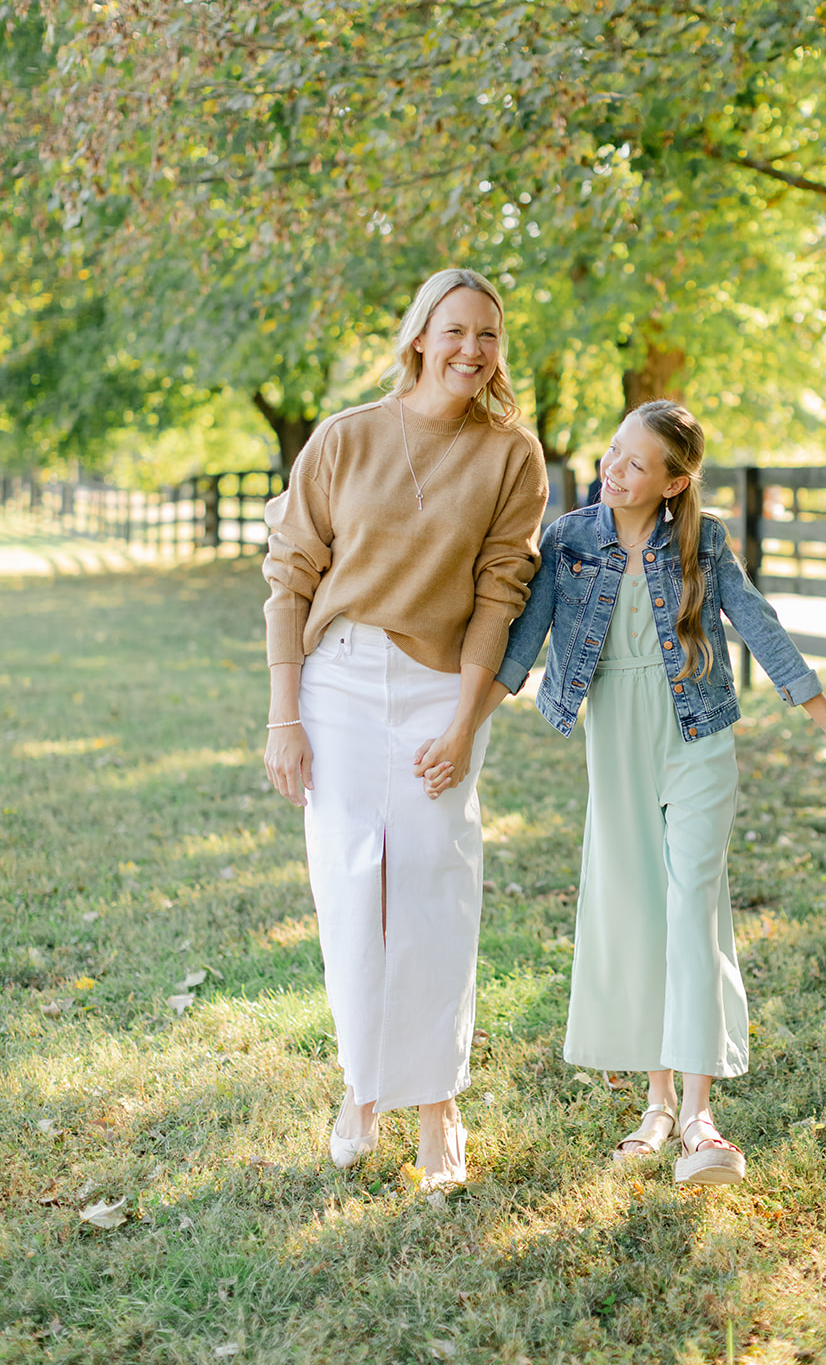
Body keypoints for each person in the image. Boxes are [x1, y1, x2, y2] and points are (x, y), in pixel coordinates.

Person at [487, 400, 826, 1187]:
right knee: (636, 911)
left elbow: (761, 628)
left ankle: (700, 1118)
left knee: (693, 908)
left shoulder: (702, 540)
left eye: (635, 464)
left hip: (697, 734)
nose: (613, 471)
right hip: (616, 738)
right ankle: (655, 1104)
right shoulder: (568, 540)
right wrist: (459, 721)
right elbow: (521, 639)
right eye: (612, 454)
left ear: (674, 483)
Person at [262, 268, 548, 1187]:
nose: (472, 350)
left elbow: (503, 591)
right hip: (337, 683)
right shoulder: (344, 439)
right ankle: (363, 1088)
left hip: (439, 688)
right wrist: (283, 714)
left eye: (489, 337)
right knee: (353, 890)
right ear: (420, 336)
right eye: (455, 331)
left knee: (433, 883)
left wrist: (468, 722)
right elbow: (290, 578)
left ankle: (438, 1110)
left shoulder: (512, 456)